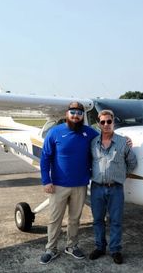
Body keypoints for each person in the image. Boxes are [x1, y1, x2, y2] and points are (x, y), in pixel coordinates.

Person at [39, 101, 99, 265]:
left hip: (80, 185)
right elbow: (45, 158)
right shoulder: (55, 132)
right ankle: (51, 249)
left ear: (82, 116)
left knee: (74, 219)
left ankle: (71, 246)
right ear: (67, 114)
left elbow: (106, 140)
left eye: (79, 113)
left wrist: (126, 141)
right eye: (72, 112)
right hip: (58, 185)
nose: (76, 116)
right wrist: (46, 180)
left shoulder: (89, 133)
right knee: (54, 219)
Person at [89, 109, 137, 264]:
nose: (106, 124)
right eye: (102, 122)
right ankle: (100, 247)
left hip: (115, 188)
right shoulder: (93, 143)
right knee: (97, 220)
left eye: (109, 121)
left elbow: (132, 163)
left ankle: (115, 250)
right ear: (98, 124)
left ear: (113, 122)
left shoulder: (123, 142)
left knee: (115, 221)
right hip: (97, 187)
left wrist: (122, 175)